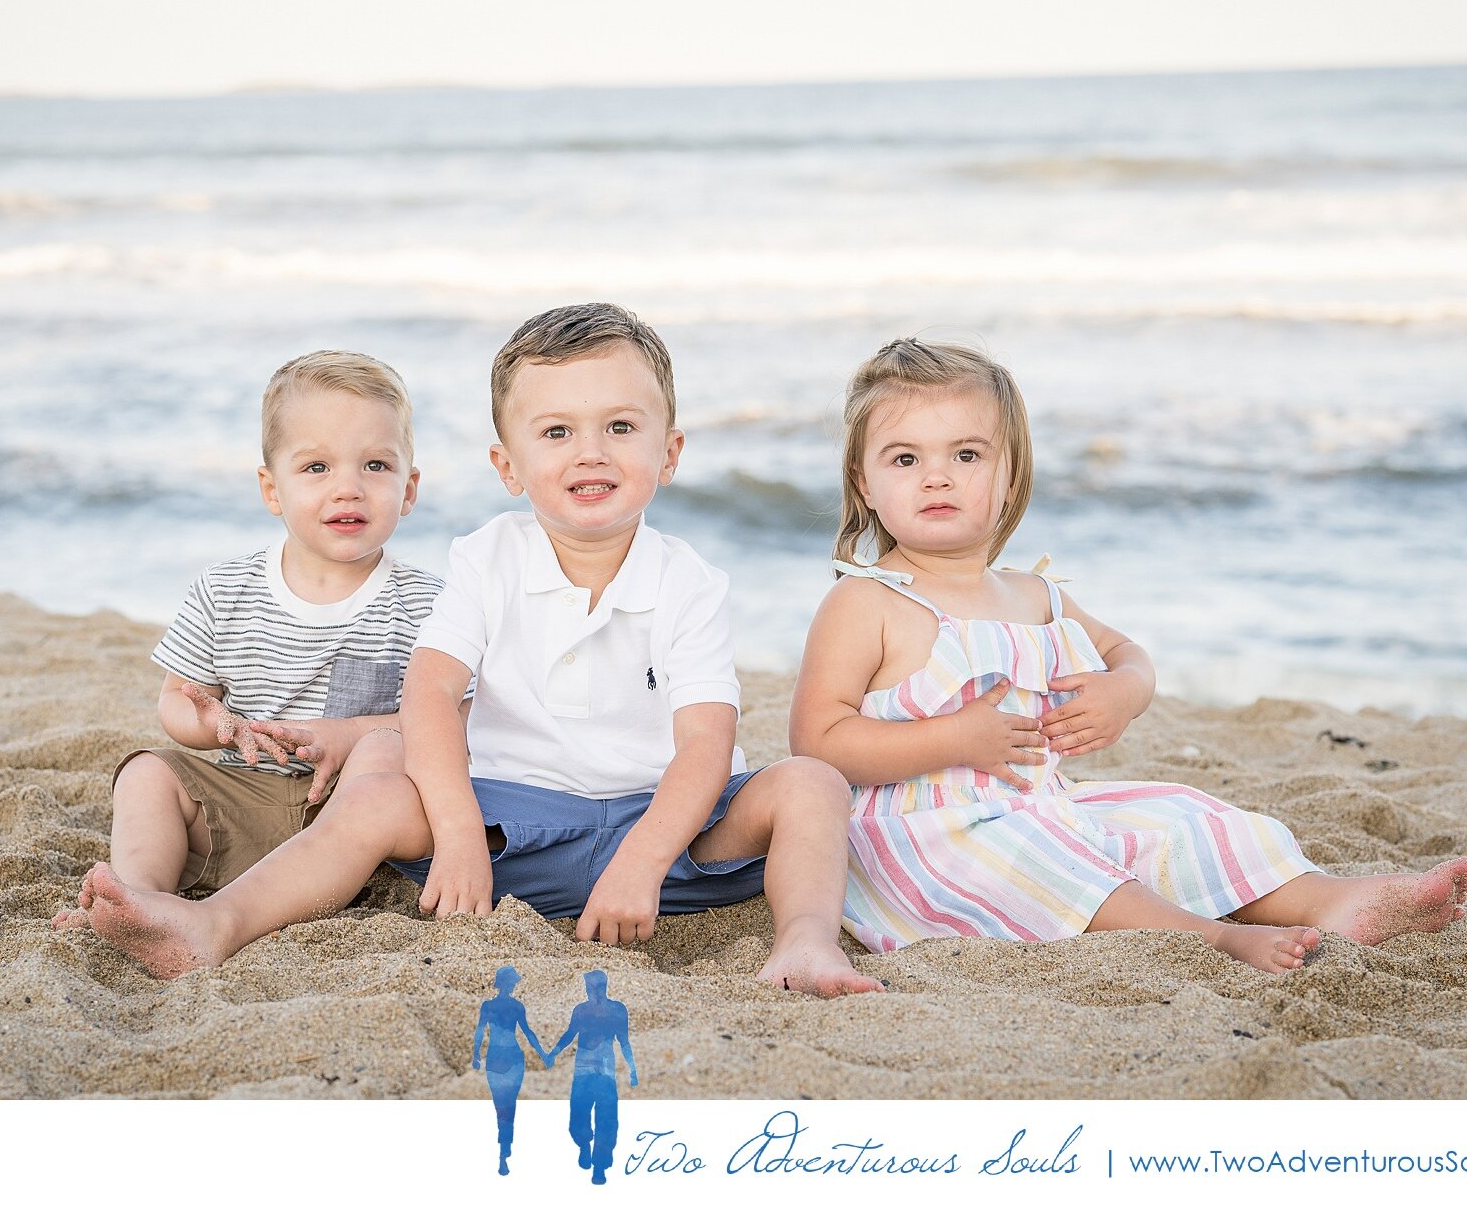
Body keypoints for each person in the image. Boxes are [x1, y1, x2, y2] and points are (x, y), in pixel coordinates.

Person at [73, 304, 880, 998]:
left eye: (621, 427)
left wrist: (642, 860)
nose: (590, 451)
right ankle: (215, 924)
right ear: (508, 465)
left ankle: (804, 940)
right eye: (557, 431)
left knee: (809, 782)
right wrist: (458, 836)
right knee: (385, 776)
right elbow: (430, 698)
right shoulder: (487, 558)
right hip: (509, 835)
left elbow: (704, 744)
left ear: (668, 454)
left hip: (668, 834)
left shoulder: (689, 581)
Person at [789, 337, 1467, 973]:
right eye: (906, 459)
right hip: (927, 836)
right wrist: (951, 739)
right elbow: (818, 740)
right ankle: (1215, 937)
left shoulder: (1035, 596)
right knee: (1042, 861)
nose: (937, 478)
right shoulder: (868, 603)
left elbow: (1128, 654)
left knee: (1183, 815)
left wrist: (1126, 692)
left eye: (966, 456)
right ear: (866, 481)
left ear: (1008, 474)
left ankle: (1325, 898)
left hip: (1047, 805)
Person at [57, 350, 440, 944]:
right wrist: (219, 727)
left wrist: (353, 735)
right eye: (316, 468)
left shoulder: (428, 602)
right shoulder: (226, 589)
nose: (348, 488)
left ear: (408, 488)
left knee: (388, 747)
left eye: (375, 465)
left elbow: (456, 718)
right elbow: (178, 704)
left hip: (355, 814)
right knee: (146, 774)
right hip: (246, 793)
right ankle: (143, 899)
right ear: (272, 489)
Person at [546, 970, 636, 1185]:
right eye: (588, 987)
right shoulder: (581, 1011)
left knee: (606, 1120)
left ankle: (600, 1166)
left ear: (601, 987)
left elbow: (624, 1041)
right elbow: (570, 1034)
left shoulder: (617, 1010)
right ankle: (584, 1144)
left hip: (605, 1071)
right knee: (578, 1115)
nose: (589, 991)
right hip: (583, 1070)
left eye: (591, 987)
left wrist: (632, 1068)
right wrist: (553, 1053)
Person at [471, 966, 550, 1177]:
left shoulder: (490, 1006)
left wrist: (476, 1055)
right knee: (508, 1105)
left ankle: (503, 1152)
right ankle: (504, 1150)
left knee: (500, 1104)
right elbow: (528, 1033)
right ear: (510, 983)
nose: (514, 985)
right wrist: (543, 1054)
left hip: (498, 1056)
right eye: (513, 982)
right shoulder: (515, 1006)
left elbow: (480, 1032)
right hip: (510, 1055)